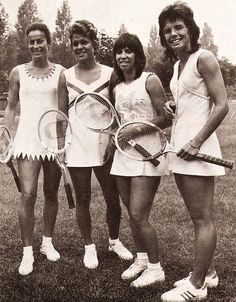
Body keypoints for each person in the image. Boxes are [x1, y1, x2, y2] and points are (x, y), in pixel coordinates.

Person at [158, 2, 229, 301]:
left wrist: (197, 141)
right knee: (196, 216)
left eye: (178, 27)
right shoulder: (178, 64)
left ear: (190, 29)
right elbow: (191, 100)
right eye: (167, 30)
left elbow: (221, 104)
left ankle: (197, 286)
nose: (173, 33)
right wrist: (172, 105)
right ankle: (208, 273)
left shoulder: (205, 57)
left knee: (203, 218)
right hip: (181, 148)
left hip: (197, 148)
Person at [58, 20, 133, 270]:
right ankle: (89, 246)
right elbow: (61, 116)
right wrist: (61, 147)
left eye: (84, 42)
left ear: (95, 44)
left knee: (113, 198)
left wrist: (113, 140)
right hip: (76, 145)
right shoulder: (65, 76)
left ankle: (114, 241)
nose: (79, 47)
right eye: (75, 43)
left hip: (105, 146)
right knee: (83, 199)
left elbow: (118, 112)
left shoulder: (111, 73)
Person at [109, 33, 171, 288]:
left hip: (149, 155)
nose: (123, 56)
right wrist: (118, 134)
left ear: (137, 54)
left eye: (128, 51)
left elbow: (166, 118)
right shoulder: (117, 87)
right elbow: (118, 122)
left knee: (138, 213)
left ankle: (156, 269)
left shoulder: (150, 80)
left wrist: (134, 131)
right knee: (131, 213)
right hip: (123, 155)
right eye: (119, 52)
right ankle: (142, 259)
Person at [4, 22, 65, 275]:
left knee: (51, 193)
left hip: (52, 140)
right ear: (27, 44)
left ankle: (46, 243)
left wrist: (62, 146)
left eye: (40, 40)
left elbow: (62, 112)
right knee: (28, 194)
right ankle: (27, 252)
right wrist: (5, 136)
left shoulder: (61, 72)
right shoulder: (17, 72)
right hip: (27, 140)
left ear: (48, 42)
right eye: (31, 41)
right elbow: (10, 107)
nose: (35, 45)